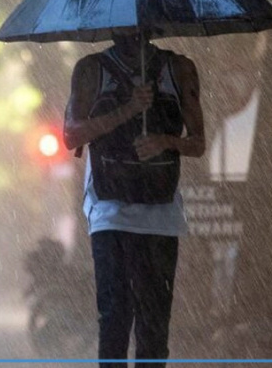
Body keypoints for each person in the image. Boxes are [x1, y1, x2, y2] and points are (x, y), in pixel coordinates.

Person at [63, 32, 205, 367]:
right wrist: (128, 110)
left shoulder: (179, 69)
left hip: (161, 214)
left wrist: (165, 142)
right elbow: (70, 135)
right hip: (108, 212)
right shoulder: (90, 70)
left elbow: (198, 143)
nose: (132, 31)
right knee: (114, 316)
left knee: (154, 324)